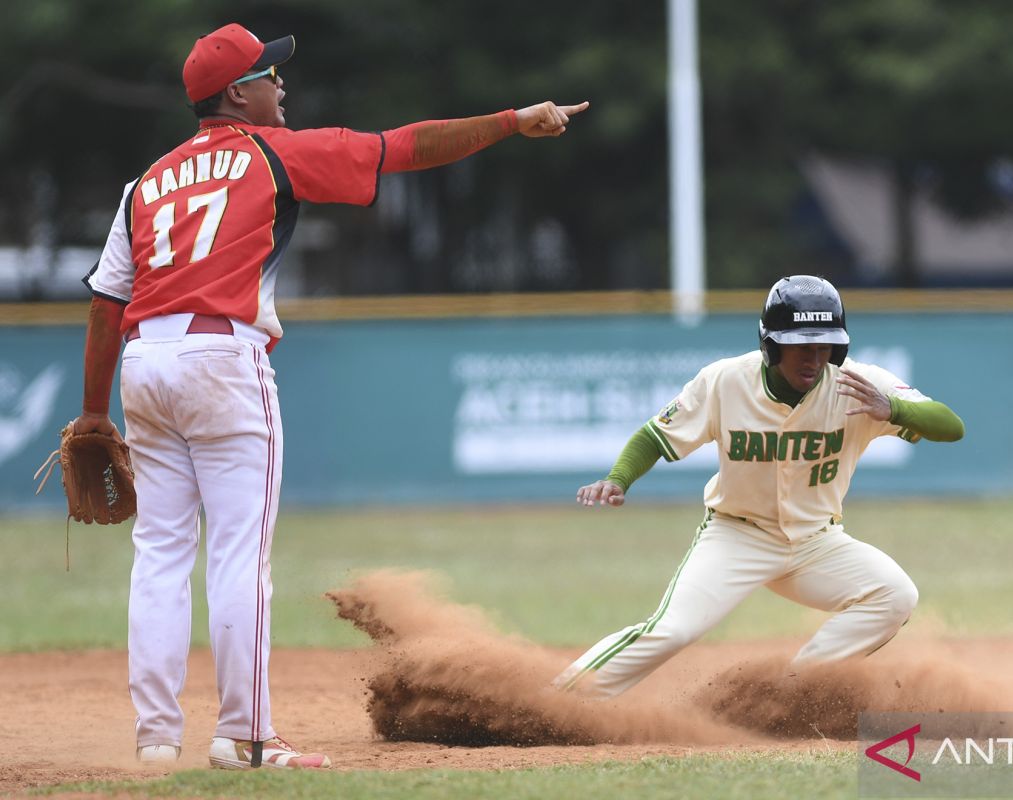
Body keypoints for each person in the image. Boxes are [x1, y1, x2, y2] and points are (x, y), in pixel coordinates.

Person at [70, 22, 587, 769]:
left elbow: (106, 306)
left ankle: (155, 738)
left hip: (144, 363)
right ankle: (244, 736)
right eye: (269, 75)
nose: (282, 86)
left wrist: (92, 409)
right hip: (223, 359)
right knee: (239, 555)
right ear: (237, 93)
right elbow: (406, 147)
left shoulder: (143, 184)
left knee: (158, 553)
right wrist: (511, 122)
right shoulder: (273, 150)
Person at [553, 275, 964, 698]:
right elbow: (654, 436)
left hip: (816, 542)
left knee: (895, 595)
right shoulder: (726, 381)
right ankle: (552, 704)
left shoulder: (859, 386)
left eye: (825, 346)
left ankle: (788, 698)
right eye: (802, 345)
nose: (814, 357)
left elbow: (952, 427)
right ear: (771, 344)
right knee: (671, 630)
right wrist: (617, 479)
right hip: (737, 535)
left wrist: (892, 407)